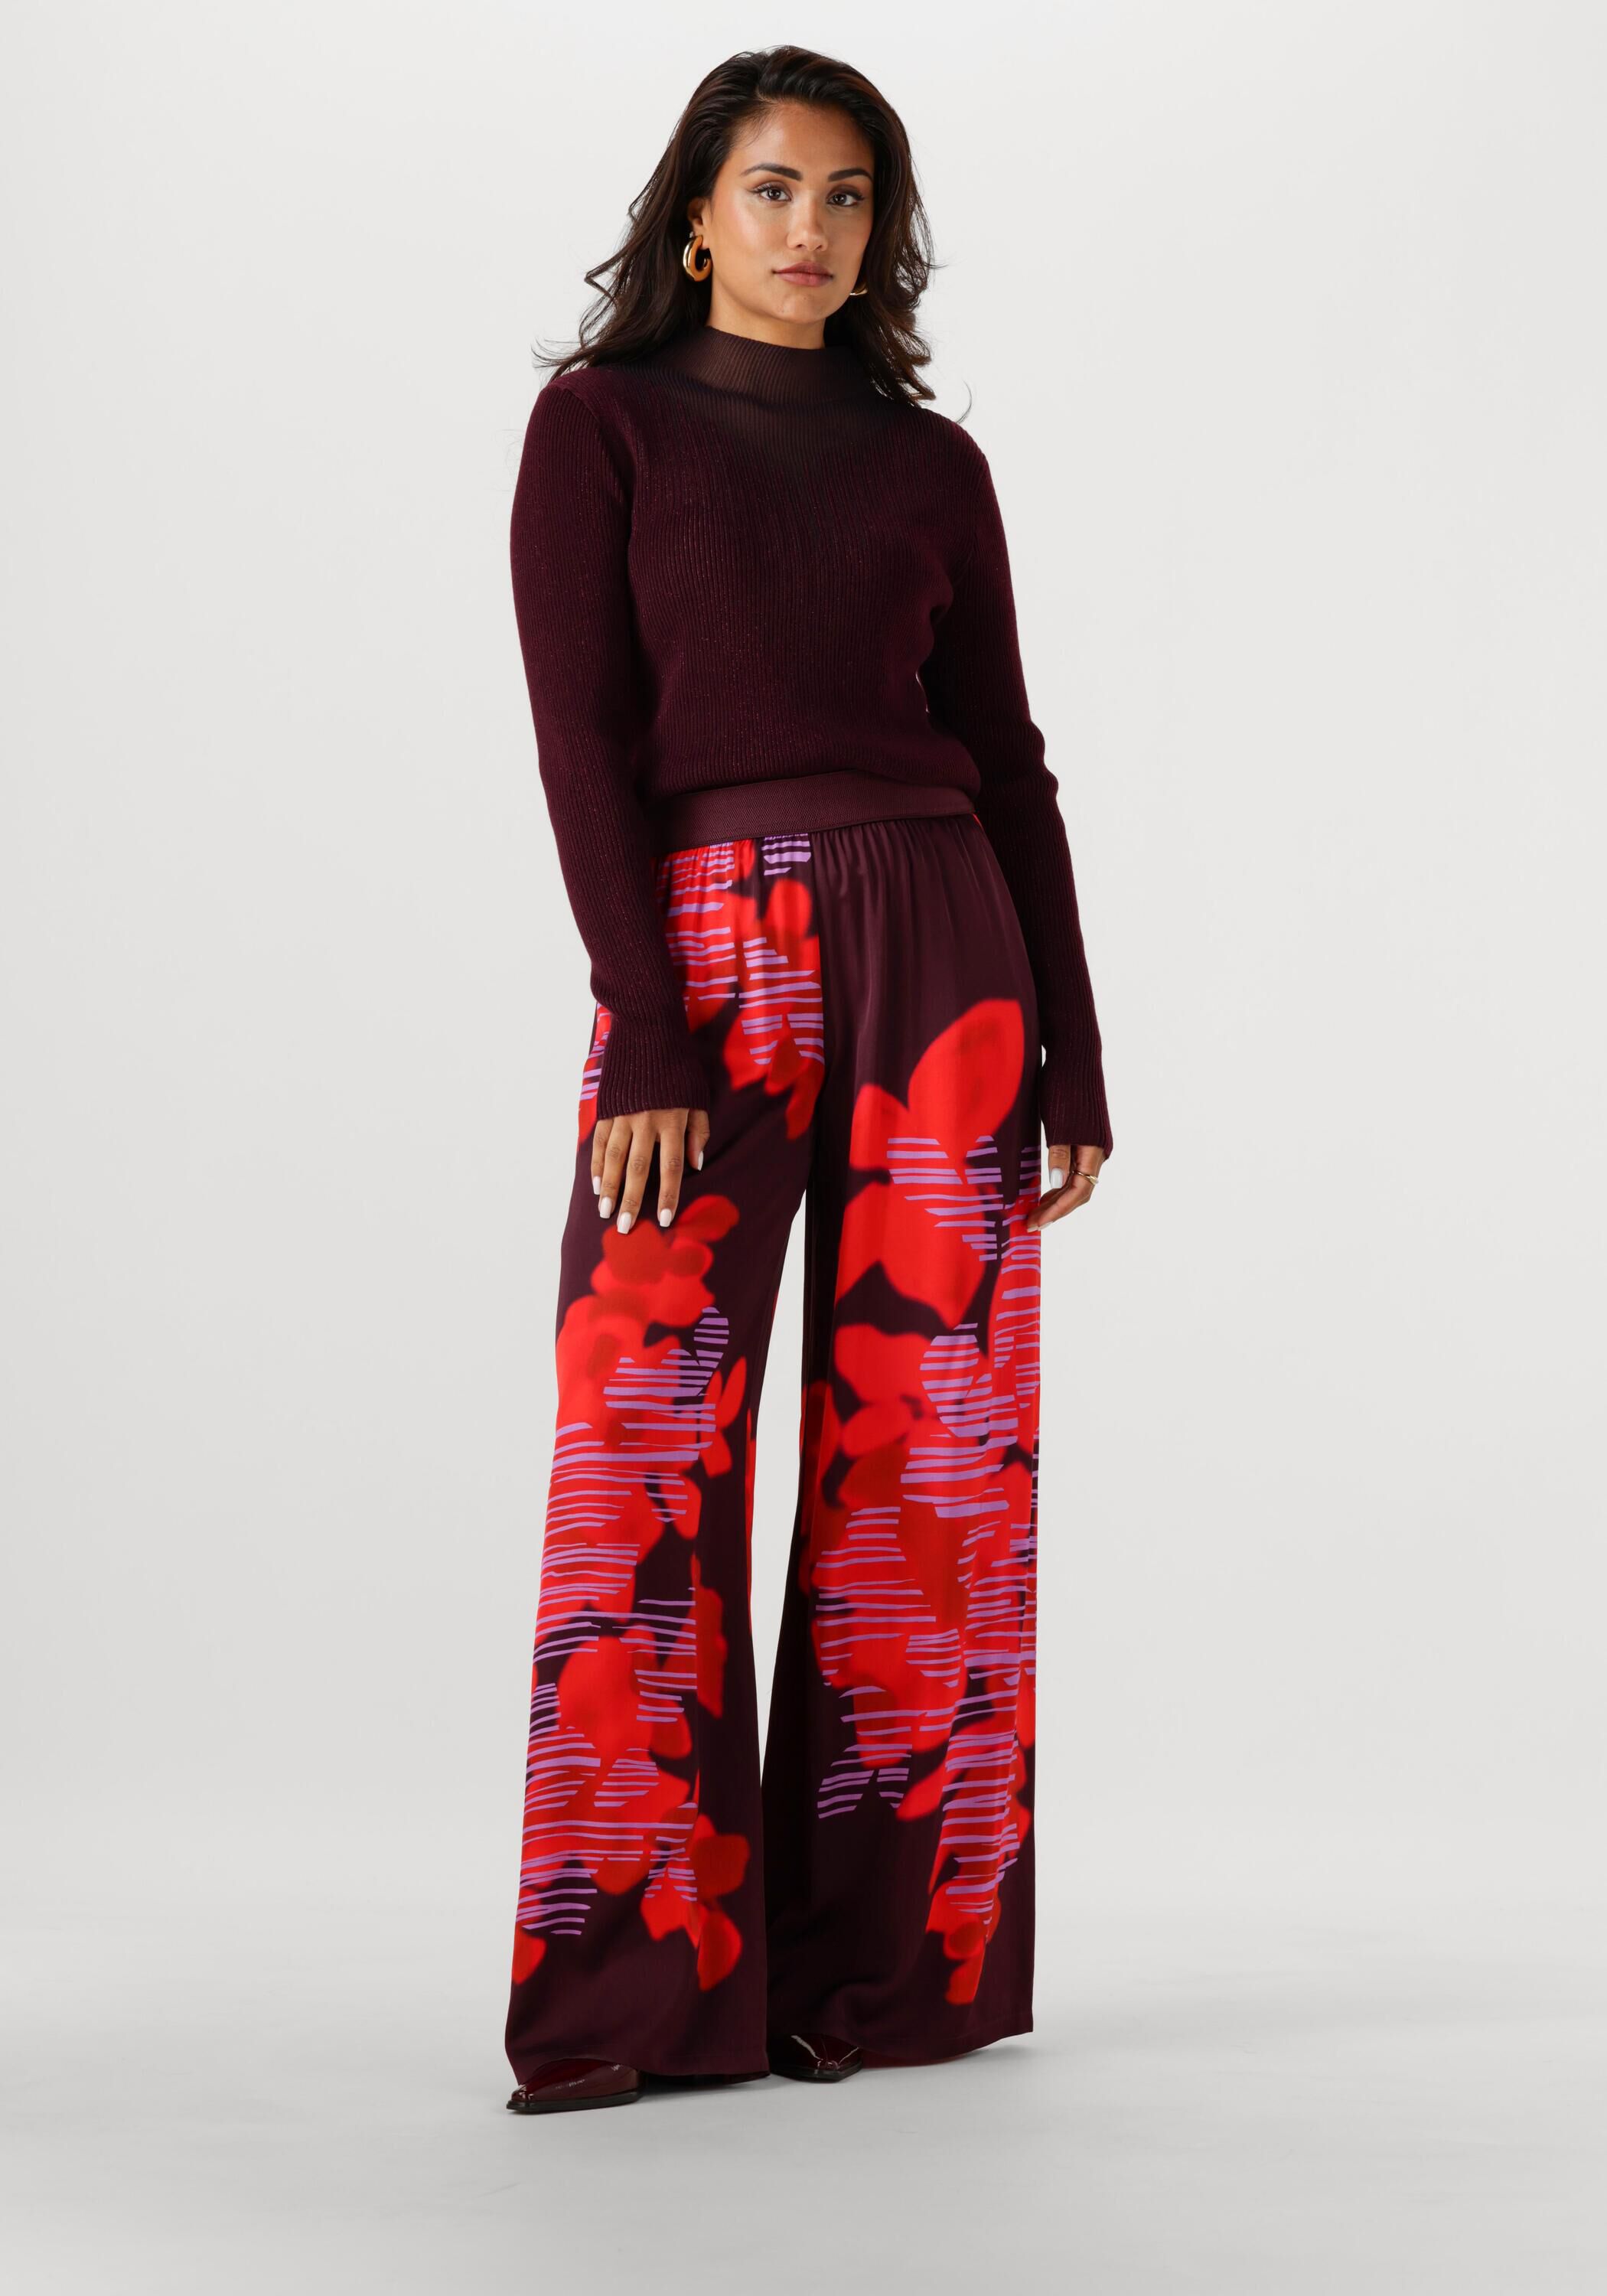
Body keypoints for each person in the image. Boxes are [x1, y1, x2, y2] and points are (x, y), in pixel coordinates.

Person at [502, 44, 1113, 2115]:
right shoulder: (602, 428)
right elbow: (583, 741)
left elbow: (1007, 754)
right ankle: (639, 1993)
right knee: (639, 1441)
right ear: (696, 212)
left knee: (929, 1464)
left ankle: (884, 1979)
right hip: (707, 952)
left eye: (849, 198)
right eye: (772, 188)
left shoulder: (927, 463)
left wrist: (1071, 1051)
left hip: (947, 948)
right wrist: (647, 1030)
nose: (810, 230)